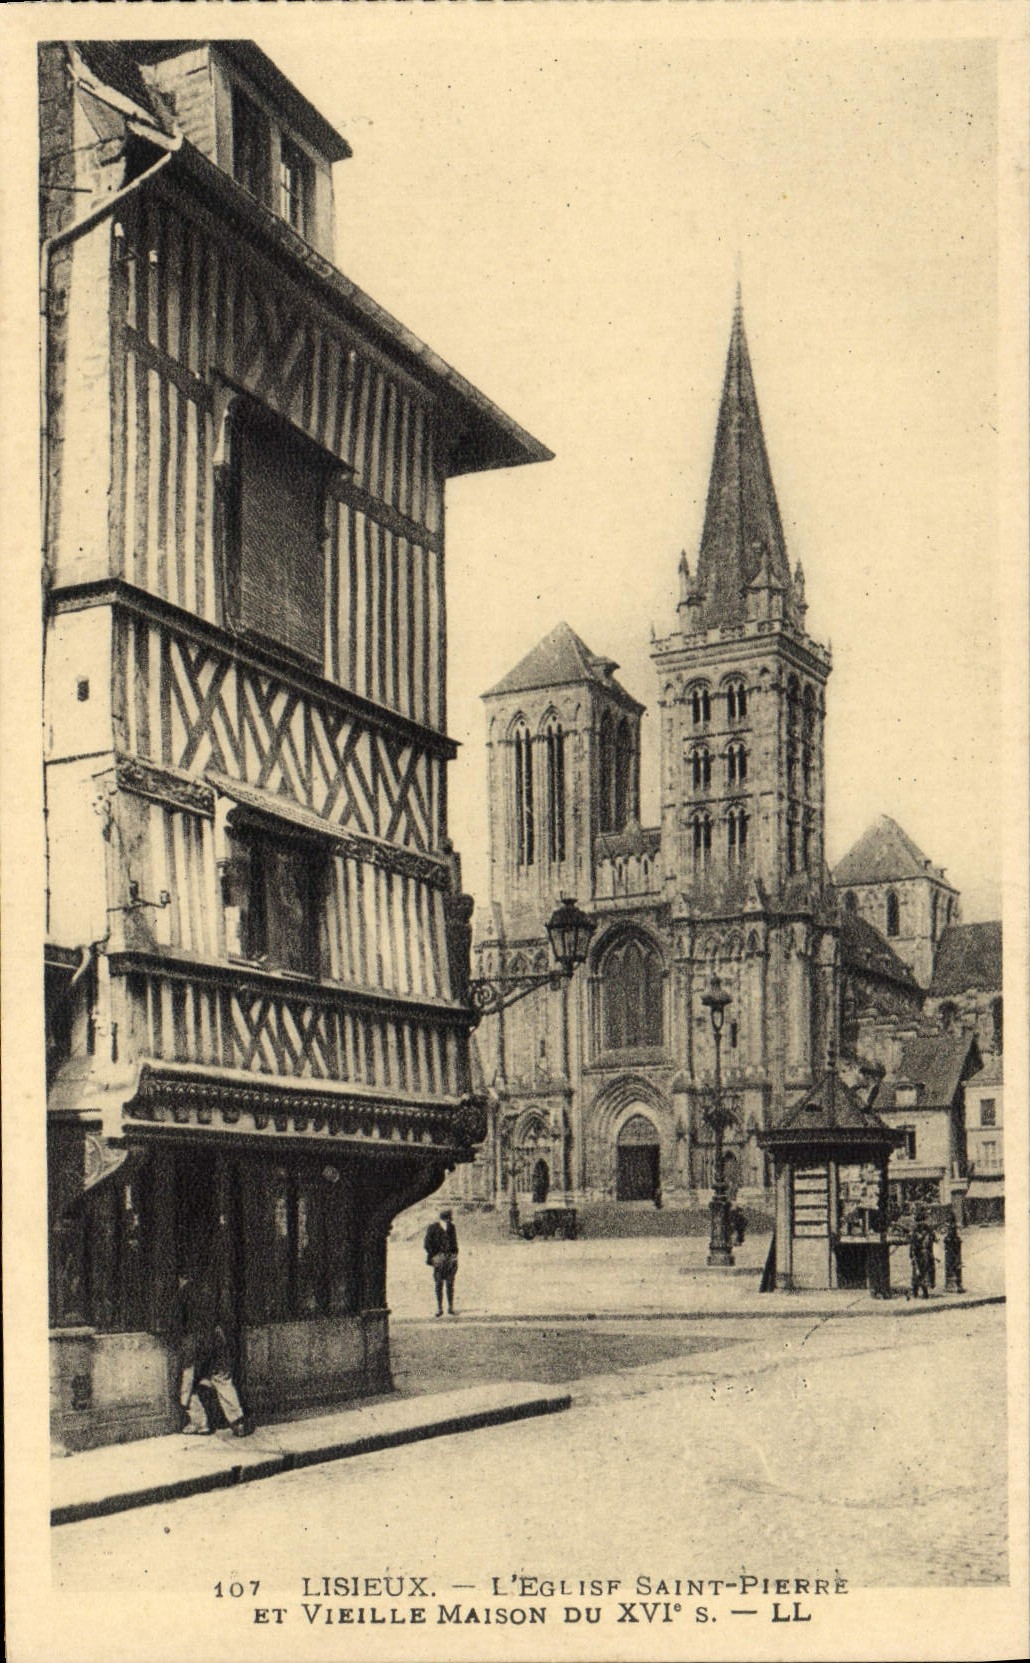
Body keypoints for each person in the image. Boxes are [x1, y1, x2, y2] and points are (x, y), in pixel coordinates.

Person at [176, 1272, 253, 1437]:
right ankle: (238, 1422)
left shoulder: (184, 1292)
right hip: (217, 1339)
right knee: (222, 1379)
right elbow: (226, 1315)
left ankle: (199, 1422)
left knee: (187, 1384)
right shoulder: (214, 1288)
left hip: (194, 1342)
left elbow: (177, 1320)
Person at [424, 1207, 459, 1316]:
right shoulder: (432, 1228)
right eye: (449, 1217)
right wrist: (434, 1256)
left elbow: (454, 1243)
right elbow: (427, 1244)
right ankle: (439, 1308)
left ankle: (450, 1307)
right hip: (438, 1260)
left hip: (449, 1260)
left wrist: (454, 1255)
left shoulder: (452, 1227)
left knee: (450, 1284)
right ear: (446, 1217)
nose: (450, 1220)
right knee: (439, 1284)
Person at [909, 1209, 937, 1300]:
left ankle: (924, 1293)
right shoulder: (915, 1233)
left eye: (923, 1221)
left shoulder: (928, 1231)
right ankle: (915, 1292)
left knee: (925, 1274)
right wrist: (912, 1255)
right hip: (918, 1255)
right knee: (917, 1273)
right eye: (919, 1222)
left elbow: (933, 1242)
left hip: (926, 1255)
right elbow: (912, 1245)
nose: (921, 1223)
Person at [943, 1215, 964, 1293]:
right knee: (955, 1265)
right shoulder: (953, 1230)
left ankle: (953, 1284)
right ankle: (956, 1284)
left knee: (953, 1265)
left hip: (952, 1248)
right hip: (953, 1248)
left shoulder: (951, 1230)